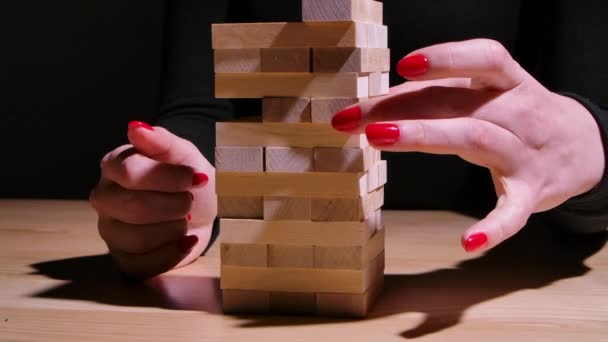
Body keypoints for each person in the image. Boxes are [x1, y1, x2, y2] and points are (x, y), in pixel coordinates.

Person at [89, 0, 608, 278]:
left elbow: (588, 106)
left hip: (498, 253)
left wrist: (589, 144)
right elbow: (197, 109)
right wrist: (173, 181)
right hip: (272, 232)